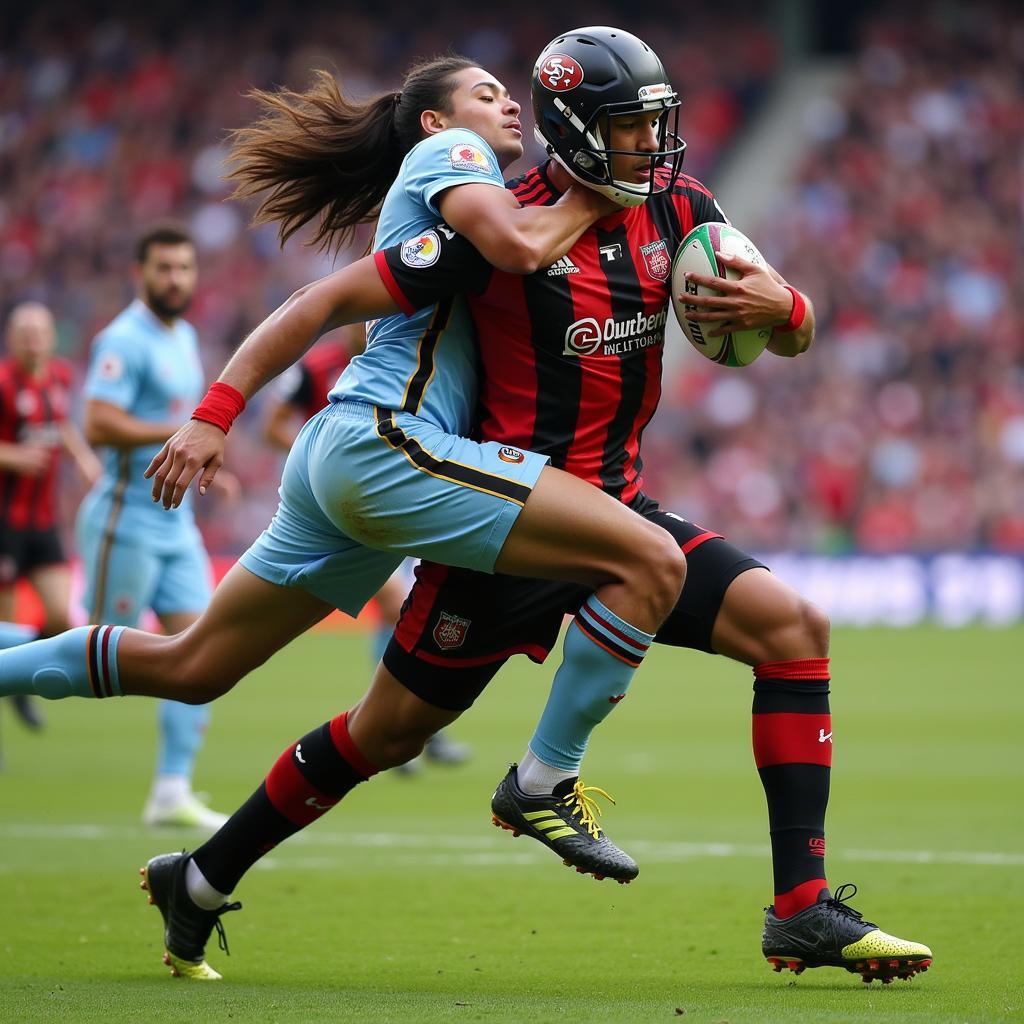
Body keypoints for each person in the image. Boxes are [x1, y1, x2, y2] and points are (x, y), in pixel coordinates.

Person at [138, 28, 929, 983]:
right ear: (577, 132)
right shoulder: (493, 228)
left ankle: (800, 910)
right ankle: (207, 876)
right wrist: (223, 411)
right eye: (633, 127)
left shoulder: (682, 207)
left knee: (794, 626)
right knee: (386, 733)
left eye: (658, 123)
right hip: (502, 529)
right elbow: (335, 311)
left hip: (616, 509)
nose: (655, 143)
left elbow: (787, 330)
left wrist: (783, 307)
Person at [0, 53, 692, 978]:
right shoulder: (459, 168)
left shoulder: (448, 216)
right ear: (437, 125)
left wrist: (219, 413)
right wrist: (611, 191)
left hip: (354, 464)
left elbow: (320, 302)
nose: (507, 106)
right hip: (387, 446)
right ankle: (544, 780)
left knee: (192, 665)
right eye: (485, 94)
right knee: (647, 560)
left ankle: (178, 856)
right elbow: (520, 249)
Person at [76, 222, 237, 830]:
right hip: (127, 521)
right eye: (164, 268)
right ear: (139, 274)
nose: (176, 279)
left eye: (184, 268)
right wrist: (183, 437)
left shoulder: (185, 335)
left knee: (201, 653)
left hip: (176, 527)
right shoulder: (124, 339)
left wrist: (203, 465)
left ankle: (172, 789)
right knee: (89, 645)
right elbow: (98, 423)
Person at [262, 329, 469, 770]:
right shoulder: (316, 367)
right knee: (396, 605)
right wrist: (316, 450)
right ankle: (387, 727)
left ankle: (416, 730)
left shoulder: (412, 360)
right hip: (342, 500)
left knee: (413, 606)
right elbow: (272, 424)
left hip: (402, 496)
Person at [0, 302, 100, 741]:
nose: (32, 338)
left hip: (42, 523)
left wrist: (83, 458)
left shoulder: (59, 376)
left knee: (60, 616)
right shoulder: (3, 383)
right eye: (24, 331)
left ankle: (19, 686)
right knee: (3, 631)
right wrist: (14, 456)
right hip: (4, 522)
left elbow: (59, 424)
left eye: (40, 330)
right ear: (11, 337)